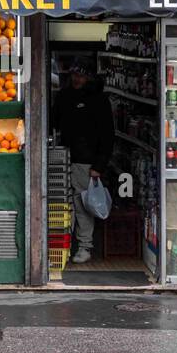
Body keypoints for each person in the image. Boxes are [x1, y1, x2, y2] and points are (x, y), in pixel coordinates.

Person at [54, 61, 115, 263]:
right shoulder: (64, 96)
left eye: (81, 76)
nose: (76, 79)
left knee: (81, 204)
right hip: (63, 155)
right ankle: (63, 245)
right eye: (74, 75)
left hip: (85, 161)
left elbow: (107, 135)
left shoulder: (98, 100)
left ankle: (85, 246)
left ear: (90, 78)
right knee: (63, 203)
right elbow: (53, 121)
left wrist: (99, 165)